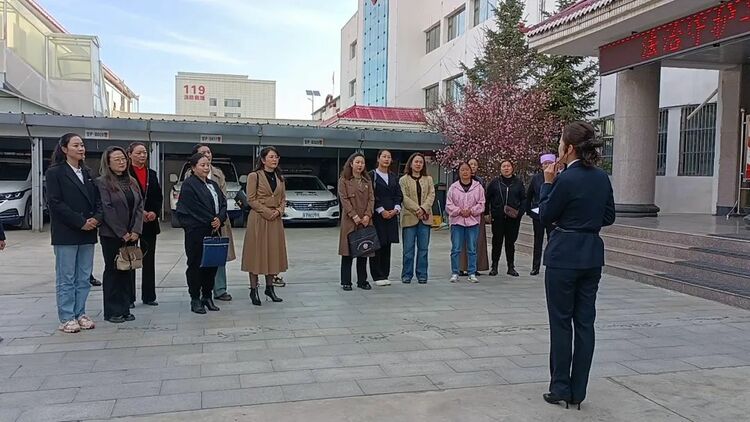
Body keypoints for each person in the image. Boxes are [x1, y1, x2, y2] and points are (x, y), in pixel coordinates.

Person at [540, 121, 615, 410]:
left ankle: (560, 386)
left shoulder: (565, 179)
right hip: (591, 254)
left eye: (561, 143)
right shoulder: (601, 178)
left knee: (561, 322)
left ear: (569, 148)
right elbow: (609, 216)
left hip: (564, 256)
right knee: (585, 323)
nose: (559, 147)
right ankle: (578, 391)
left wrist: (548, 183)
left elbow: (546, 213)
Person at [45, 133, 102, 333]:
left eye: (82, 145)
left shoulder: (87, 172)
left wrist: (96, 218)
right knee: (66, 277)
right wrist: (80, 222)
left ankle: (80, 312)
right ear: (64, 149)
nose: (81, 149)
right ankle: (67, 316)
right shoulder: (55, 172)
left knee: (83, 276)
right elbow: (55, 203)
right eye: (76, 145)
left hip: (88, 232)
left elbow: (97, 201)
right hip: (67, 232)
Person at [175, 153, 227, 314]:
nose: (206, 168)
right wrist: (211, 219)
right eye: (202, 165)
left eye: (207, 165)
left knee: (211, 265)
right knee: (196, 265)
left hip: (214, 230)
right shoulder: (189, 185)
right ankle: (195, 298)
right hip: (197, 231)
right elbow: (193, 207)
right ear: (193, 167)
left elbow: (223, 203)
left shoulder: (213, 184)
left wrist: (219, 218)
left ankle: (207, 295)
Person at [96, 146, 144, 323]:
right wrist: (121, 232)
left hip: (132, 235)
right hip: (112, 235)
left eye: (123, 158)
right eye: (116, 159)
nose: (121, 161)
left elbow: (140, 205)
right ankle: (112, 311)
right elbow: (106, 209)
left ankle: (125, 308)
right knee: (113, 271)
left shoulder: (131, 181)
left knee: (127, 271)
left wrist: (136, 230)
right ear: (108, 162)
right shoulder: (102, 182)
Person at [241, 146, 287, 306]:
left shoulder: (280, 177)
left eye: (276, 157)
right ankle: (253, 289)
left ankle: (270, 287)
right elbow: (251, 199)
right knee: (256, 253)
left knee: (273, 253)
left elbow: (283, 198)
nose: (275, 160)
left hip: (275, 220)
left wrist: (279, 211)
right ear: (263, 159)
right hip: (259, 219)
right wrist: (267, 212)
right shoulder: (254, 176)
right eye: (271, 157)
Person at [192, 144, 236, 302]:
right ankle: (203, 292)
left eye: (209, 152)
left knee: (218, 255)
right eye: (203, 153)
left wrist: (219, 218)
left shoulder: (218, 174)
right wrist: (209, 218)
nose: (207, 155)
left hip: (220, 222)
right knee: (201, 258)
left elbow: (222, 198)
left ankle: (220, 289)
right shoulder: (190, 177)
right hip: (201, 223)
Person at [127, 142, 162, 307]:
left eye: (145, 153)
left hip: (149, 222)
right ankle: (129, 297)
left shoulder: (152, 174)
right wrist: (140, 214)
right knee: (130, 259)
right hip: (132, 223)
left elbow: (157, 196)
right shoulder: (125, 174)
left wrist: (154, 212)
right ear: (130, 154)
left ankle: (149, 295)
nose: (143, 156)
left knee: (149, 259)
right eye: (139, 153)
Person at [338, 152, 375, 291]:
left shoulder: (367, 180)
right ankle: (346, 281)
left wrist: (367, 215)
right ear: (351, 163)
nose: (360, 165)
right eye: (357, 162)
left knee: (364, 250)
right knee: (347, 252)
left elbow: (372, 198)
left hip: (365, 220)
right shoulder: (344, 179)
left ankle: (362, 280)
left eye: (362, 163)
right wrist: (354, 215)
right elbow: (344, 199)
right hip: (350, 220)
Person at [485, 160, 526, 277]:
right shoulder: (495, 182)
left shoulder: (518, 183)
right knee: (496, 241)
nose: (506, 168)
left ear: (512, 168)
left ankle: (511, 267)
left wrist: (520, 213)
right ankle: (494, 266)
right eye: (504, 166)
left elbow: (524, 199)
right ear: (500, 169)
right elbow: (487, 198)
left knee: (510, 243)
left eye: (508, 166)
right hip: (498, 218)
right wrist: (487, 213)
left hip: (513, 218)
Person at [446, 162, 485, 284]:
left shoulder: (478, 187)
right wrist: (459, 211)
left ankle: (472, 272)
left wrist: (471, 211)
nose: (465, 172)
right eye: (462, 170)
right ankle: (455, 272)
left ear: (471, 172)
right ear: (459, 172)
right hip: (457, 222)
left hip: (473, 222)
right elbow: (448, 205)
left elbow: (481, 203)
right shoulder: (453, 187)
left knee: (472, 248)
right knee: (456, 248)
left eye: (467, 170)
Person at [399, 153, 435, 284]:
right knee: (408, 249)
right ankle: (407, 274)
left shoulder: (428, 179)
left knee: (423, 249)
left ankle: (422, 274)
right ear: (411, 163)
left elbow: (431, 195)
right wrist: (417, 209)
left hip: (425, 218)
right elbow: (404, 197)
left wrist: (423, 208)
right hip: (410, 218)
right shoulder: (403, 180)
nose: (418, 164)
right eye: (416, 162)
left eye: (420, 162)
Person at [369, 150, 402, 286]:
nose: (386, 159)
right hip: (378, 215)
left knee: (387, 244)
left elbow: (398, 195)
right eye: (384, 156)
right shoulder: (372, 175)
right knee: (378, 245)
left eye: (389, 157)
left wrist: (396, 209)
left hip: (392, 214)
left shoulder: (393, 176)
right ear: (378, 159)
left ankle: (385, 273)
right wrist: (381, 210)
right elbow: (371, 194)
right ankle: (377, 275)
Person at [527, 154, 557, 276]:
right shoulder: (536, 178)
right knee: (537, 241)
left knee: (552, 240)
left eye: (549, 163)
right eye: (545, 163)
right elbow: (529, 195)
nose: (546, 165)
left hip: (552, 215)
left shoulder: (557, 178)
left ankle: (552, 264)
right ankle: (535, 266)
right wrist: (529, 211)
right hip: (538, 214)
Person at [459, 158, 490, 276]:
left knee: (477, 241)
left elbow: (484, 199)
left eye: (475, 164)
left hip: (477, 215)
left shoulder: (480, 182)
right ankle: (461, 266)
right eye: (470, 164)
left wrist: (480, 211)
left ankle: (475, 266)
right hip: (461, 215)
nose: (472, 166)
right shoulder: (458, 182)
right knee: (462, 241)